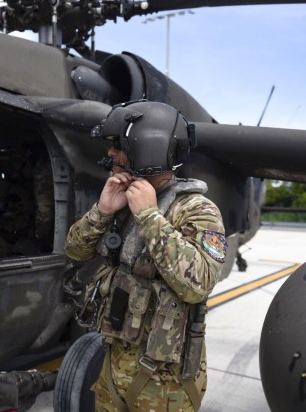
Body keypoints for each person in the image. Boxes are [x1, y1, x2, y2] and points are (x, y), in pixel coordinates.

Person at [64, 100, 227, 411]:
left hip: (166, 381)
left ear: (148, 148)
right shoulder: (122, 199)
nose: (111, 153)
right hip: (114, 365)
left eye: (119, 145)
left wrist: (151, 218)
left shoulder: (197, 210)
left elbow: (199, 284)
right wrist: (102, 211)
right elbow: (74, 250)